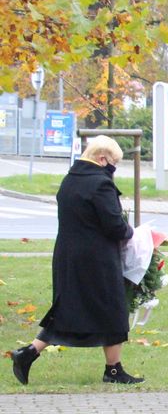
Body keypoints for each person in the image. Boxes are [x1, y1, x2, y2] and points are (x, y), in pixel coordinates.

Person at [10, 134, 144, 385]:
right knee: (114, 309)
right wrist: (133, 234)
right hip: (97, 259)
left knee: (69, 308)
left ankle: (28, 353)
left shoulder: (70, 179)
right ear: (102, 158)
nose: (115, 168)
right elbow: (114, 225)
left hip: (68, 256)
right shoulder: (100, 184)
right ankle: (113, 370)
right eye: (114, 162)